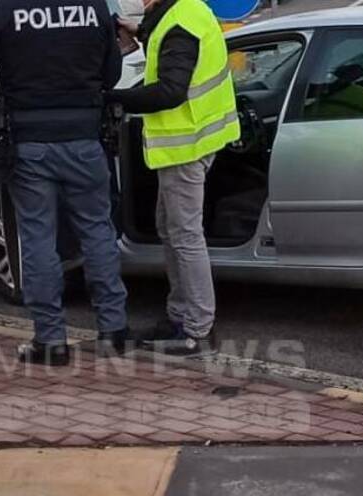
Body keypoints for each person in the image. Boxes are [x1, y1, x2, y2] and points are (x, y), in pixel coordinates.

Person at [0, 0, 131, 366]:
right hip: (85, 139)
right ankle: (113, 330)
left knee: (37, 238)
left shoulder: (1, 10)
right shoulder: (93, 7)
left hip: (29, 144)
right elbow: (110, 76)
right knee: (97, 232)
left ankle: (50, 339)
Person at [108, 0, 239, 356]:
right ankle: (181, 315)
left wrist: (114, 99)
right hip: (193, 143)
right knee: (170, 228)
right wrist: (142, 32)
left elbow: (170, 90)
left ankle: (194, 328)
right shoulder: (185, 11)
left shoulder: (180, 23)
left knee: (184, 235)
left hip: (187, 147)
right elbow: (173, 51)